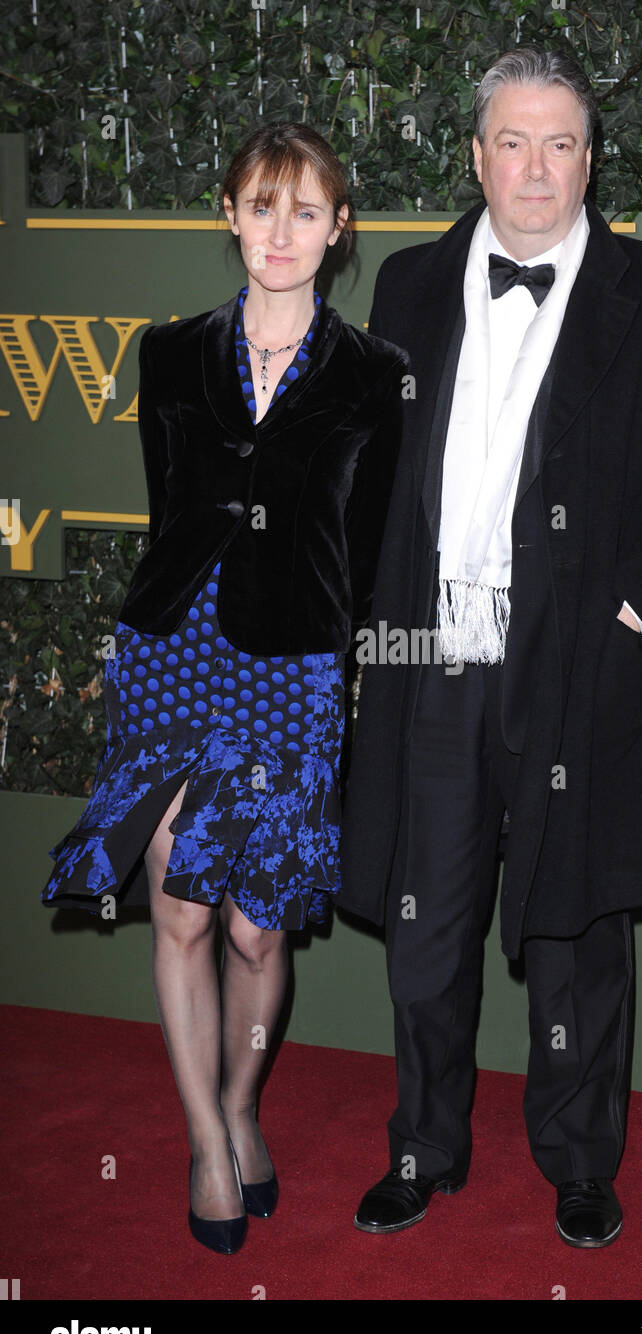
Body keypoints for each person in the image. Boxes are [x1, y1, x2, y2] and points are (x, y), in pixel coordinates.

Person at [336, 47, 642, 1247]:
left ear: (589, 161)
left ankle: (580, 1160)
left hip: (576, 657)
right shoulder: (409, 287)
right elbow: (372, 477)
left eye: (559, 143)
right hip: (433, 644)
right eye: (511, 142)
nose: (534, 168)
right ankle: (421, 1146)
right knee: (427, 922)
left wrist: (633, 613)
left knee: (572, 927)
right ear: (475, 158)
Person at [41, 122, 407, 1255]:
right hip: (173, 661)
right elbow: (171, 513)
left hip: (291, 670)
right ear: (229, 214)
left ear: (338, 228)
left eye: (306, 210)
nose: (281, 231)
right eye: (261, 205)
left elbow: (373, 537)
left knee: (257, 932)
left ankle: (243, 1103)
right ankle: (206, 1139)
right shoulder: (169, 353)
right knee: (181, 909)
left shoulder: (373, 376)